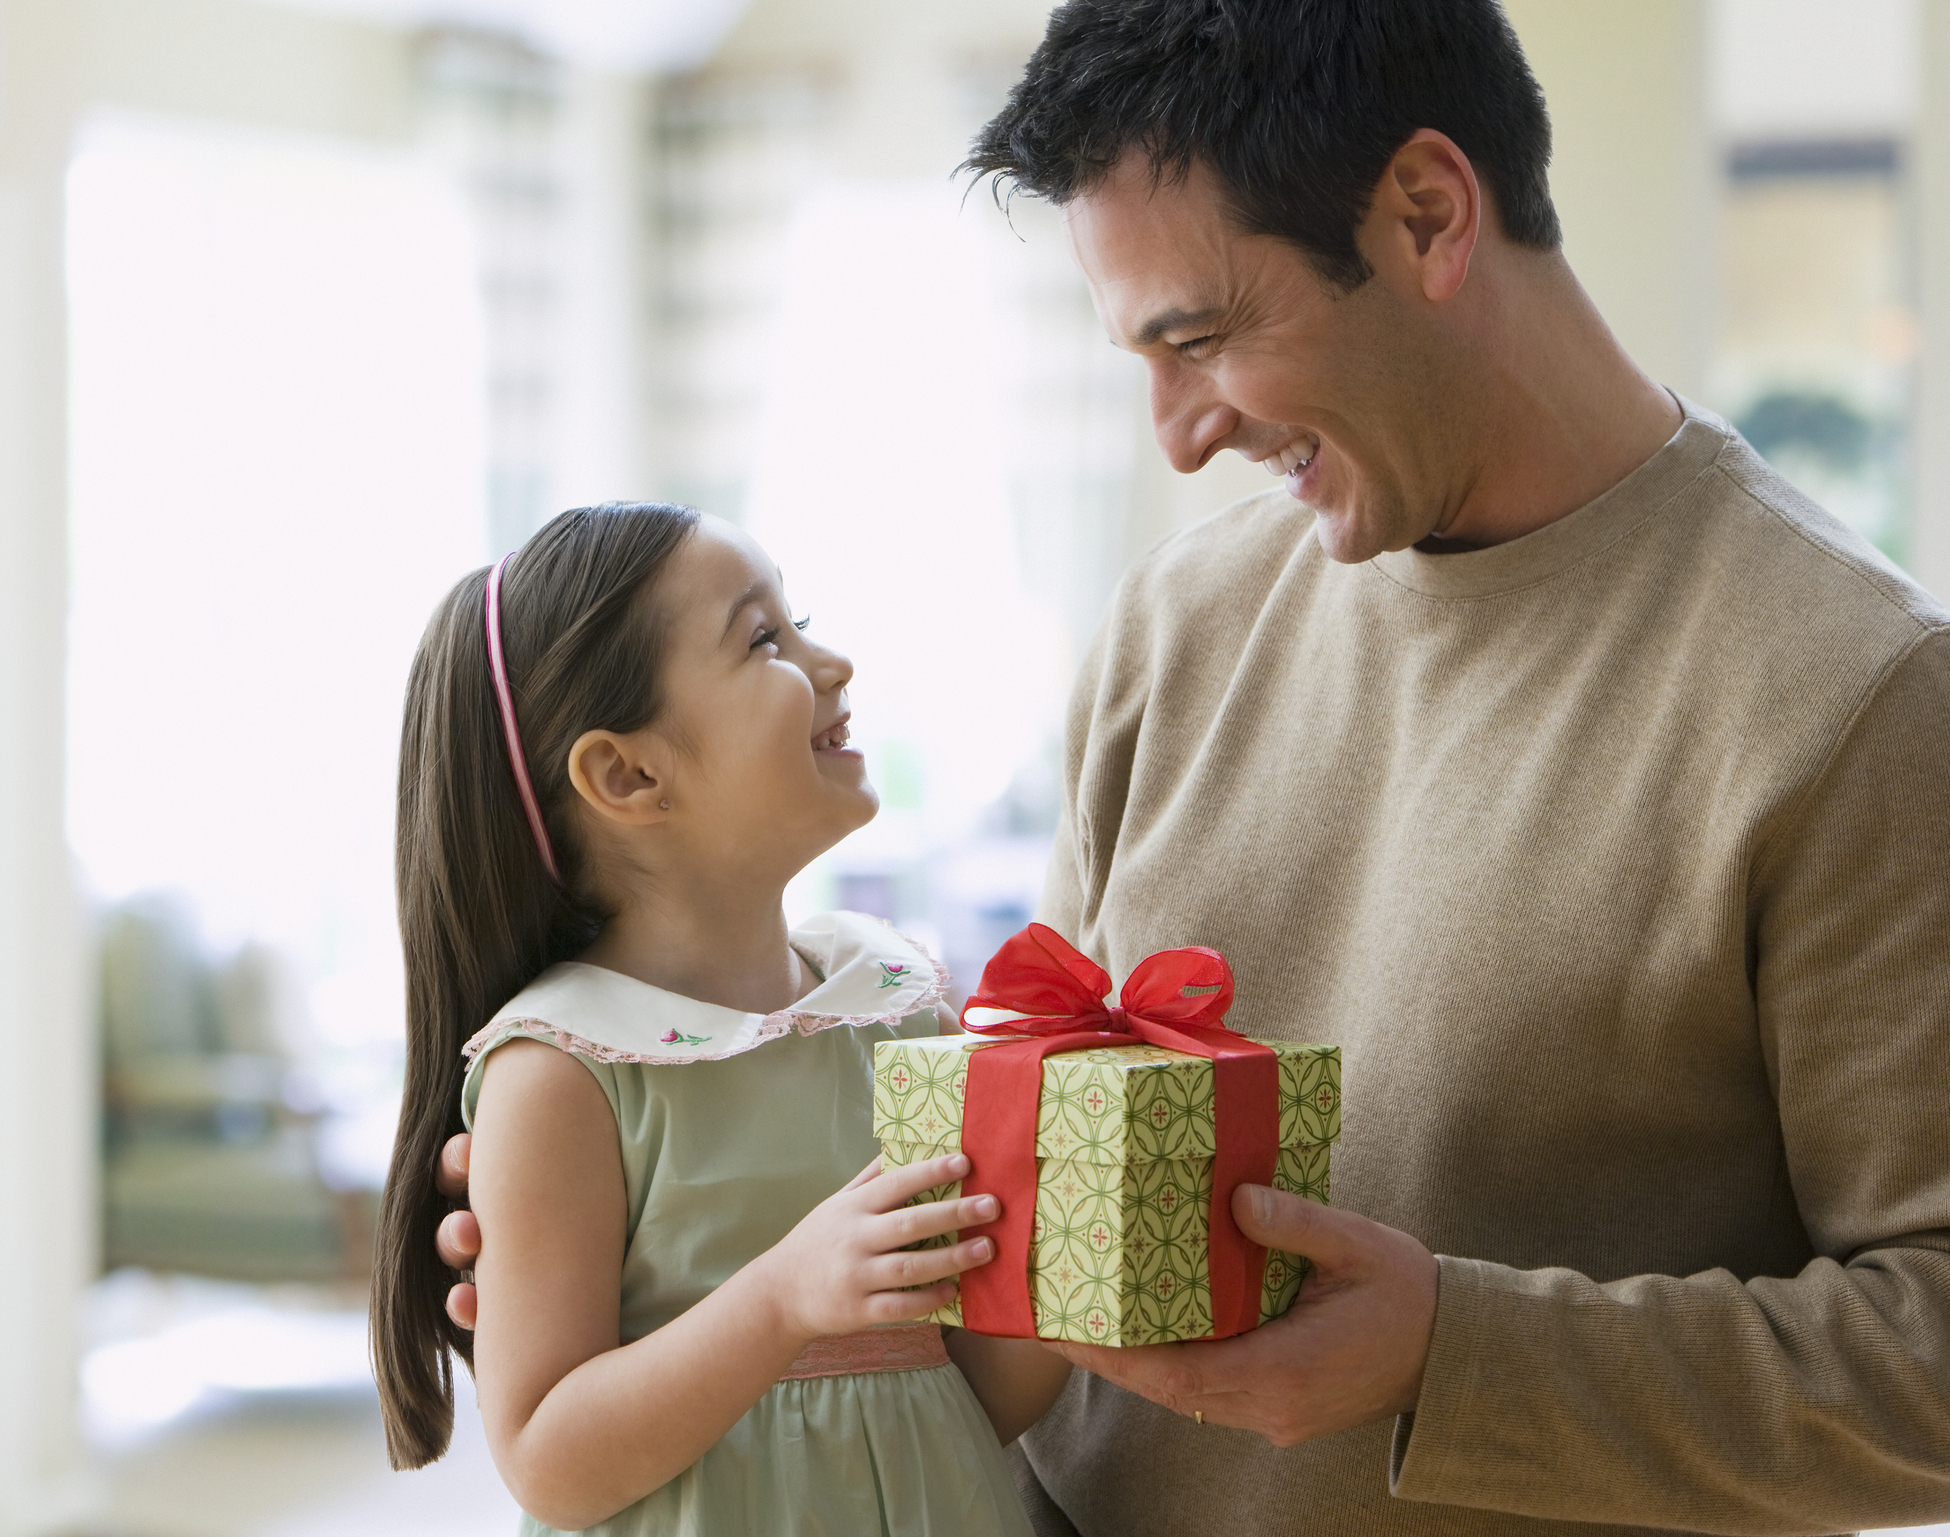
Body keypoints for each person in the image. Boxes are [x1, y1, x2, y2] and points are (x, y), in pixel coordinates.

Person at [437, 2, 1950, 1534]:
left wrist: (1450, 1351)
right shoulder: (1182, 617)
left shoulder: (1853, 692)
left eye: (1203, 337)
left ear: (1426, 215)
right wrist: (639, 1229)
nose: (1174, 438)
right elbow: (1019, 1156)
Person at [372, 502, 1068, 1536]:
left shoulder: (898, 1007)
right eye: (764, 639)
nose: (830, 663)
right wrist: (784, 1298)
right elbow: (549, 1459)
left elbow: (976, 1392)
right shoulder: (564, 1070)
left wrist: (1081, 1242)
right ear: (629, 774)